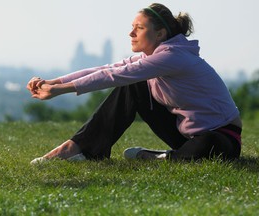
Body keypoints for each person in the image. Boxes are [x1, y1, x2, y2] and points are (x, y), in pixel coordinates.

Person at [27, 3, 242, 164]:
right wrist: (54, 82)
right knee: (134, 85)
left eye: (138, 28)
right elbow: (107, 70)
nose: (131, 33)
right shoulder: (154, 57)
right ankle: (82, 148)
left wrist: (58, 91)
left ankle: (157, 157)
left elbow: (114, 76)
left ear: (160, 33)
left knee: (209, 145)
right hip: (186, 134)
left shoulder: (173, 57)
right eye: (132, 27)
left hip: (222, 138)